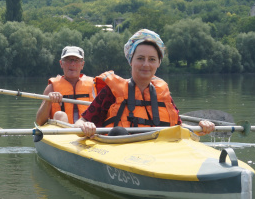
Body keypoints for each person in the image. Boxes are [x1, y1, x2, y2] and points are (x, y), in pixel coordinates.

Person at [74, 29, 215, 137]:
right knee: (118, 131)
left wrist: (200, 127)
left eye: (152, 59)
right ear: (131, 61)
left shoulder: (163, 94)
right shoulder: (111, 91)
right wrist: (85, 126)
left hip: (156, 152)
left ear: (158, 63)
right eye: (140, 58)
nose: (146, 64)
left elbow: (178, 127)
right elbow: (81, 121)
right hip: (121, 153)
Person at [35, 46, 96, 126]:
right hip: (62, 130)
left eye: (76, 60)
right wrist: (48, 101)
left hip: (87, 128)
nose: (72, 64)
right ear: (61, 63)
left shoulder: (94, 86)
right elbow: (40, 121)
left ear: (82, 64)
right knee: (60, 115)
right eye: (68, 60)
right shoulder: (52, 87)